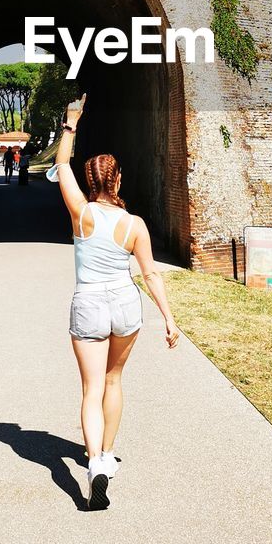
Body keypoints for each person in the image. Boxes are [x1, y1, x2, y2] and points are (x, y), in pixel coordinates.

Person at [54, 93, 179, 511]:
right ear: (118, 180)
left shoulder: (82, 213)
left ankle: (95, 467)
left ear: (92, 183)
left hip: (88, 303)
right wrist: (169, 318)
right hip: (126, 304)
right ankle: (106, 453)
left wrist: (72, 122)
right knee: (113, 382)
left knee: (90, 389)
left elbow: (61, 166)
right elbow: (151, 274)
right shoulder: (135, 224)